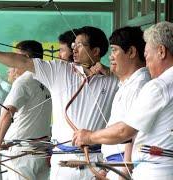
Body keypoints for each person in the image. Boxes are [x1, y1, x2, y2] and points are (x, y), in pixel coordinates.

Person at [0, 26, 119, 180]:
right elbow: (22, 61)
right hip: (63, 162)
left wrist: (112, 72)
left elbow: (138, 77)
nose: (74, 49)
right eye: (73, 45)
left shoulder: (113, 79)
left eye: (80, 45)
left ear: (96, 51)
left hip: (95, 161)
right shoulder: (59, 70)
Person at [73, 21, 173, 180]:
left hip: (153, 170)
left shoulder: (154, 86)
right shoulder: (147, 84)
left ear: (161, 51)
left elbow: (125, 132)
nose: (147, 62)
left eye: (147, 55)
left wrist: (89, 137)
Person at [0, 40, 52, 180]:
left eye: (16, 57)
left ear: (26, 59)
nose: (12, 62)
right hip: (42, 151)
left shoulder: (23, 82)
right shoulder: (48, 79)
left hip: (23, 154)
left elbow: (6, 113)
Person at [101, 26, 150, 179]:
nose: (110, 56)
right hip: (115, 164)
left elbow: (130, 132)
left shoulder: (140, 84)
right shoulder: (128, 83)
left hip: (124, 166)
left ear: (131, 52)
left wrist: (124, 172)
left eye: (114, 50)